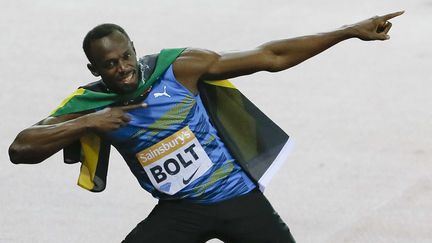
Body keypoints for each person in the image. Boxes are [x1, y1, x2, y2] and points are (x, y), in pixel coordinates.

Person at [9, 11, 403, 243]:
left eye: (125, 56)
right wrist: (91, 121)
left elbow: (270, 56)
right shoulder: (90, 103)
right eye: (110, 65)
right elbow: (21, 148)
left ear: (133, 49)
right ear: (95, 70)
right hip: (179, 211)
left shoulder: (177, 69)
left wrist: (348, 31)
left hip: (238, 199)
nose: (123, 69)